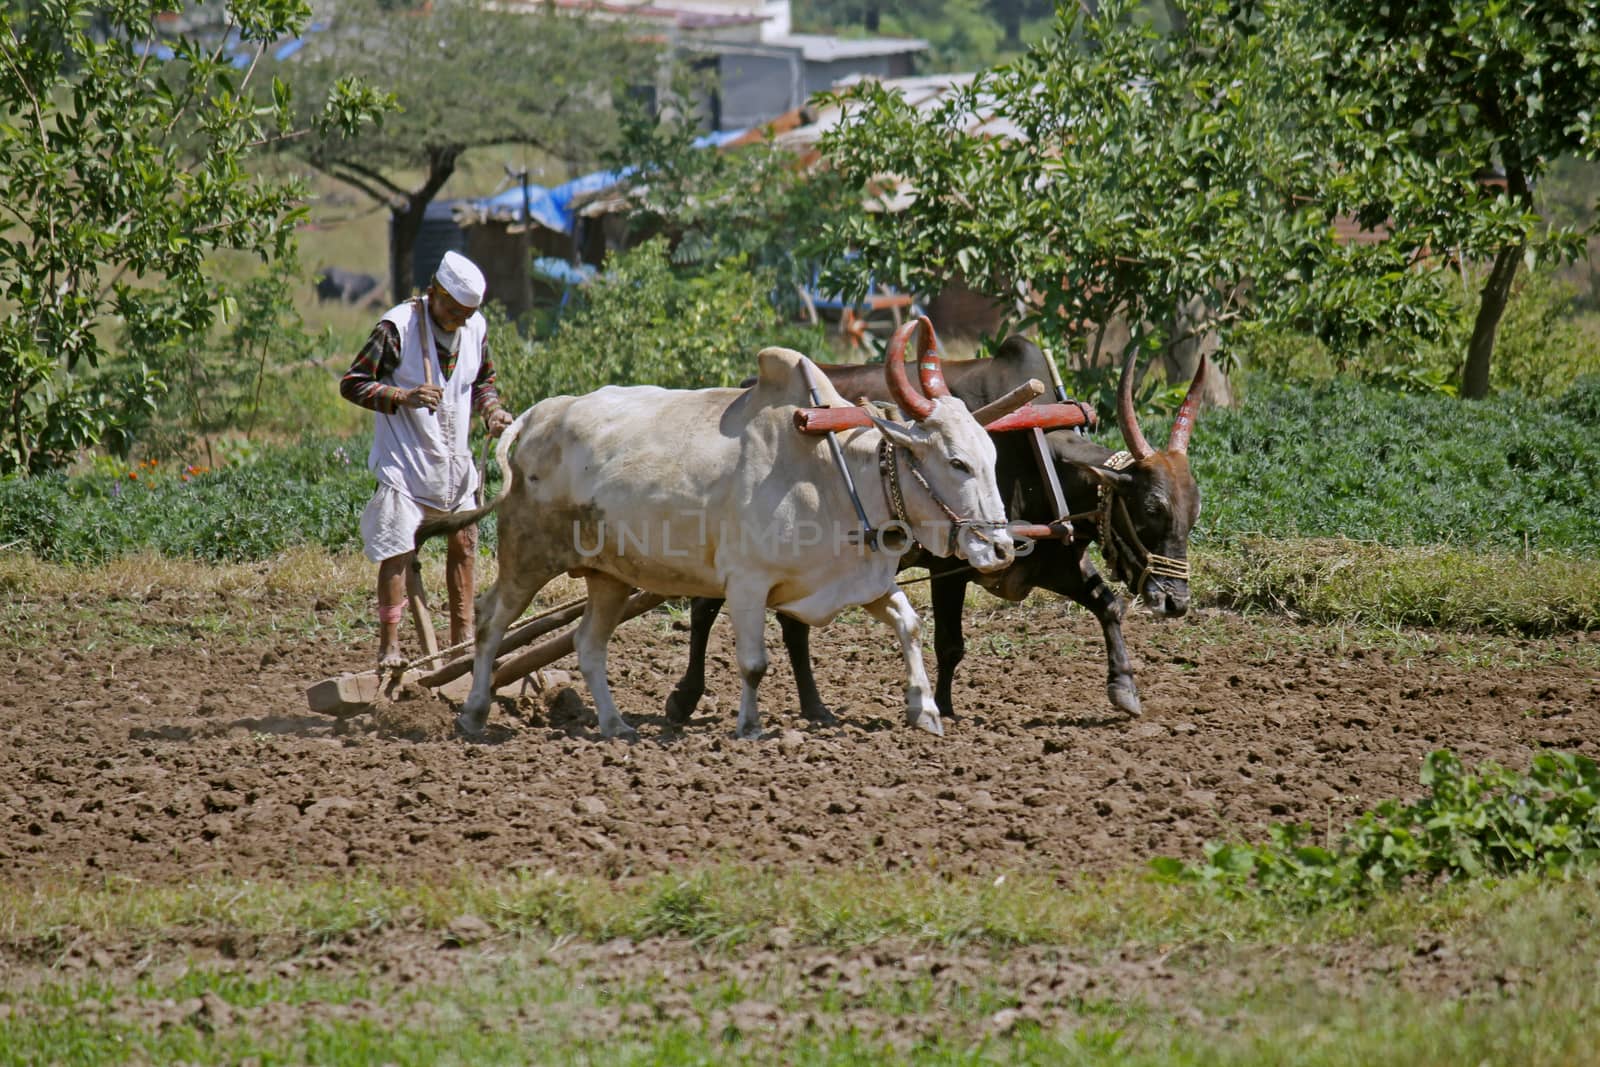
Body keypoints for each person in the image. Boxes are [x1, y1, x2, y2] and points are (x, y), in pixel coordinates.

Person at [340, 251, 515, 669]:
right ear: (433, 292)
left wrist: (491, 411)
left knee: (465, 545)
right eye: (452, 310)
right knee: (397, 549)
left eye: (466, 313)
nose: (458, 320)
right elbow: (353, 384)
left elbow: (483, 381)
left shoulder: (475, 329)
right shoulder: (396, 327)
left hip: (454, 463)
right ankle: (390, 648)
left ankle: (462, 646)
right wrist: (404, 396)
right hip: (405, 461)